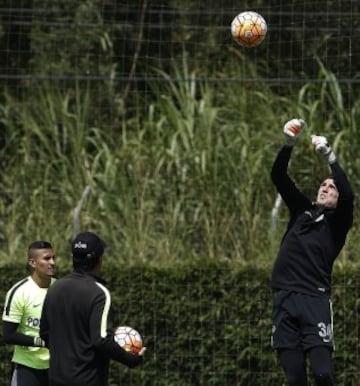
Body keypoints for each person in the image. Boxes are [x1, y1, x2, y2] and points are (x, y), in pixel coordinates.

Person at [270, 118, 354, 386]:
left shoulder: (337, 224)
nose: (325, 187)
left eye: (332, 187)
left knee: (322, 374)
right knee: (295, 378)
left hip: (314, 301)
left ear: (337, 199)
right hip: (285, 298)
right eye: (323, 184)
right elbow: (278, 177)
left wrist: (330, 156)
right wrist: (289, 143)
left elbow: (350, 196)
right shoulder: (301, 210)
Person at [40, 231, 145, 386]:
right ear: (99, 259)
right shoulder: (99, 293)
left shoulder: (55, 288)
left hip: (56, 379)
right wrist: (131, 359)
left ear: (74, 258)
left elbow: (44, 333)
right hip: (87, 381)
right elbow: (101, 340)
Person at [2, 240, 56, 386]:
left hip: (57, 367)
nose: (52, 262)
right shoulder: (19, 292)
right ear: (33, 263)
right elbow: (8, 335)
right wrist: (41, 342)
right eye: (46, 258)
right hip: (27, 367)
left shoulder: (61, 289)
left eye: (53, 258)